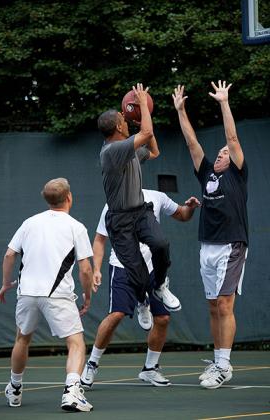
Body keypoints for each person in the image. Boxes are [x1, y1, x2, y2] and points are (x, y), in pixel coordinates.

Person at [80, 189, 200, 388]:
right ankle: (92, 363)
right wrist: (97, 269)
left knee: (162, 318)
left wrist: (191, 207)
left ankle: (150, 369)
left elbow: (182, 214)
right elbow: (100, 239)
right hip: (123, 266)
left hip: (152, 267)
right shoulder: (113, 203)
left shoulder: (157, 197)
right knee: (116, 314)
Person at [172, 81, 248, 389]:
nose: (221, 151)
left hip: (232, 244)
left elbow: (231, 136)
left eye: (225, 152)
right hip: (207, 246)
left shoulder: (238, 174)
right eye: (219, 151)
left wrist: (224, 102)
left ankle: (225, 365)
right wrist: (180, 110)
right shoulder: (208, 174)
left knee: (225, 305)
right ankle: (218, 361)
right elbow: (192, 143)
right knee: (213, 305)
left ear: (232, 159)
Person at [0, 178, 94, 411]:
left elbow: (10, 255)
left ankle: (15, 388)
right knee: (76, 343)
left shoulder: (29, 223)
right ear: (69, 197)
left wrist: (5, 283)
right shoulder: (76, 226)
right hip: (57, 294)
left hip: (27, 293)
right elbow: (86, 268)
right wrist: (87, 296)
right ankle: (71, 393)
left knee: (22, 339)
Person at [99, 83, 180, 311]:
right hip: (120, 221)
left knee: (161, 245)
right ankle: (143, 301)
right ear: (117, 126)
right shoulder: (112, 152)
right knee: (137, 271)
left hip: (139, 212)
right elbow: (145, 133)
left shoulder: (129, 148)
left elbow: (154, 151)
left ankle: (161, 285)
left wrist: (144, 125)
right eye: (122, 118)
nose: (126, 118)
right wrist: (143, 104)